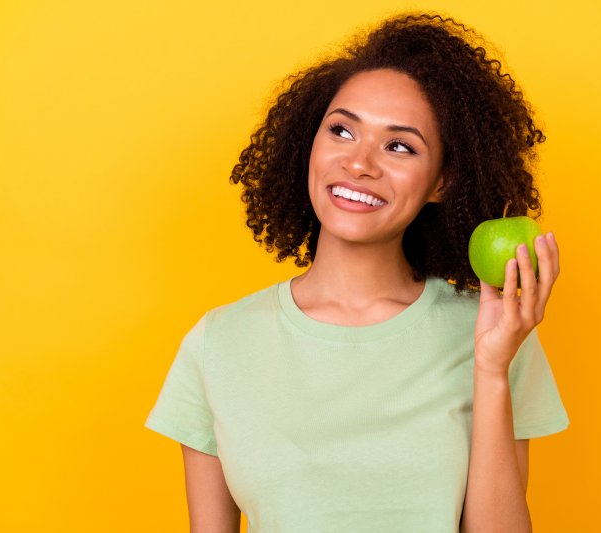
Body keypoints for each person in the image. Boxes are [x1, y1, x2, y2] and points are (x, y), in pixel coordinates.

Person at [145, 12, 569, 533]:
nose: (360, 163)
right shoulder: (219, 343)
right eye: (342, 130)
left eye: (399, 146)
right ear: (310, 143)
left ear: (442, 182)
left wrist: (490, 369)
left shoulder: (493, 334)